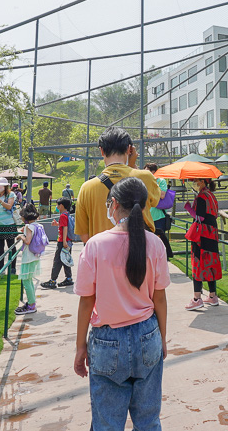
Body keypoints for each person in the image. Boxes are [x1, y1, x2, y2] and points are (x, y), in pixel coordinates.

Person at [73, 177, 170, 431]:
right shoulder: (156, 243)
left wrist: (80, 347)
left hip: (107, 341)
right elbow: (159, 298)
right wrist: (162, 338)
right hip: (148, 336)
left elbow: (86, 301)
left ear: (113, 204)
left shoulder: (95, 245)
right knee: (149, 421)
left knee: (106, 424)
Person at [75, 127, 161, 242]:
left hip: (103, 256)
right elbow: (156, 201)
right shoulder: (146, 177)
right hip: (140, 254)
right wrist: (132, 165)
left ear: (101, 151)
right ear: (129, 149)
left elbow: (84, 236)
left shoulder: (87, 188)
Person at [185, 178, 222, 310]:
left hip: (202, 234)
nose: (194, 183)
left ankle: (197, 298)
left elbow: (199, 218)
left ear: (202, 182)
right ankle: (212, 296)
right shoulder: (211, 195)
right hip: (212, 233)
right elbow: (213, 215)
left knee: (198, 263)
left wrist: (189, 208)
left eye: (196, 181)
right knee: (210, 262)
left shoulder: (201, 196)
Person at [41, 197, 79, 289]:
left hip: (63, 241)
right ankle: (69, 278)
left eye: (58, 205)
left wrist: (64, 241)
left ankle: (53, 281)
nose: (57, 206)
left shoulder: (62, 215)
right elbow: (64, 226)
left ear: (61, 206)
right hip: (67, 241)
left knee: (57, 261)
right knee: (65, 259)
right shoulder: (67, 214)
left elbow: (65, 228)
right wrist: (57, 224)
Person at [15, 203, 42, 315]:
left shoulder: (28, 227)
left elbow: (27, 241)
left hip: (29, 256)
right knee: (29, 279)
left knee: (26, 280)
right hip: (35, 255)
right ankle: (31, 302)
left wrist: (21, 236)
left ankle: (31, 305)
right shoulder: (38, 225)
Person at [144, 163, 174, 259]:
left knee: (159, 240)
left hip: (158, 217)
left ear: (153, 172)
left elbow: (162, 195)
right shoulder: (143, 181)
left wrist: (153, 184)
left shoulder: (161, 181)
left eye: (147, 172)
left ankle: (162, 259)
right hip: (146, 216)